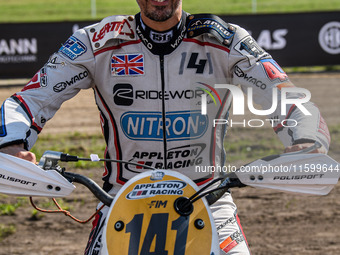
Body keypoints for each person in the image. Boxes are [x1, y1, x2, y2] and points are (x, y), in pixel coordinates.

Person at [0, 0, 330, 254]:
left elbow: (286, 97)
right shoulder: (95, 42)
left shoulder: (226, 40)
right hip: (120, 198)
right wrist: (11, 143)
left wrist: (304, 140)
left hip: (209, 200)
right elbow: (30, 99)